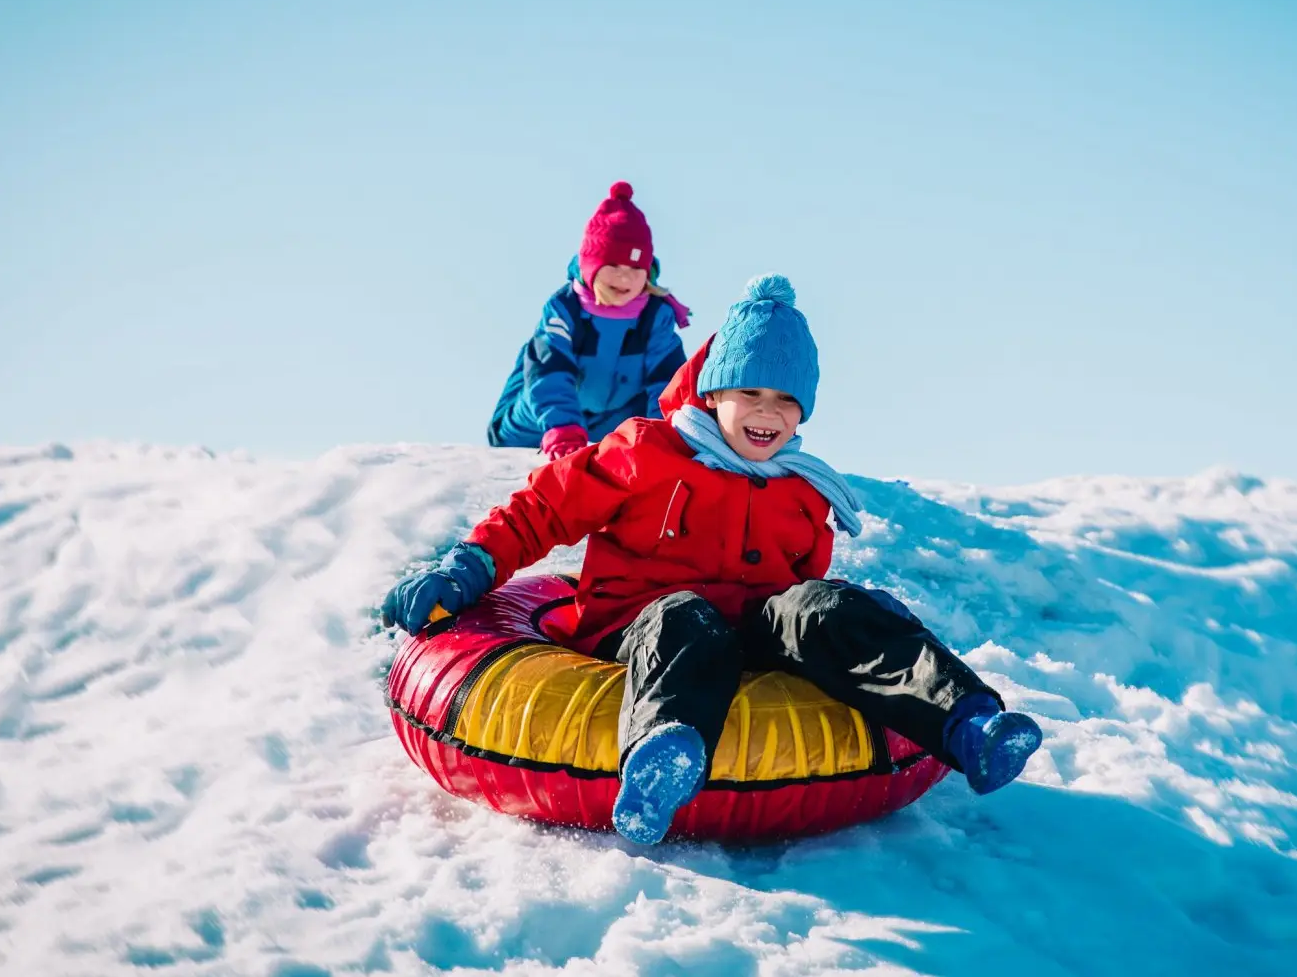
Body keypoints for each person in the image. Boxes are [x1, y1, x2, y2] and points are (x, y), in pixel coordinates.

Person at [389, 275, 1042, 844]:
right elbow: (545, 510)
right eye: (751, 394)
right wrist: (469, 567)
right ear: (714, 393)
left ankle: (967, 724)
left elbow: (799, 596)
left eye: (786, 401)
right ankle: (660, 758)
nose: (768, 413)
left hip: (751, 635)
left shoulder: (802, 492)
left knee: (826, 605)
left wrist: (847, 624)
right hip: (638, 629)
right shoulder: (647, 451)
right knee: (686, 615)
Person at [487, 181, 690, 461]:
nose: (625, 277)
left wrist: (664, 441)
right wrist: (563, 427)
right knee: (527, 422)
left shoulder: (655, 316)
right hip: (542, 416)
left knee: (647, 428)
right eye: (614, 266)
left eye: (635, 268)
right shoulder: (565, 308)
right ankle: (554, 429)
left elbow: (666, 381)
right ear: (592, 266)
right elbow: (549, 371)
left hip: (612, 417)